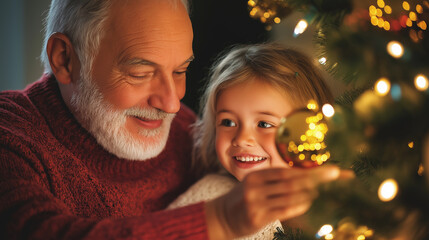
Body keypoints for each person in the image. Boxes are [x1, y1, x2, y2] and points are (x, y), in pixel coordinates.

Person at [0, 0, 343, 239]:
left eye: (181, 71)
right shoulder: (11, 135)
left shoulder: (184, 135)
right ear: (64, 59)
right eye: (140, 72)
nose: (171, 104)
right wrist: (220, 219)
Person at [168, 43, 335, 239]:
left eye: (264, 124)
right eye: (228, 122)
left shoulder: (339, 205)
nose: (241, 139)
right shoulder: (212, 196)